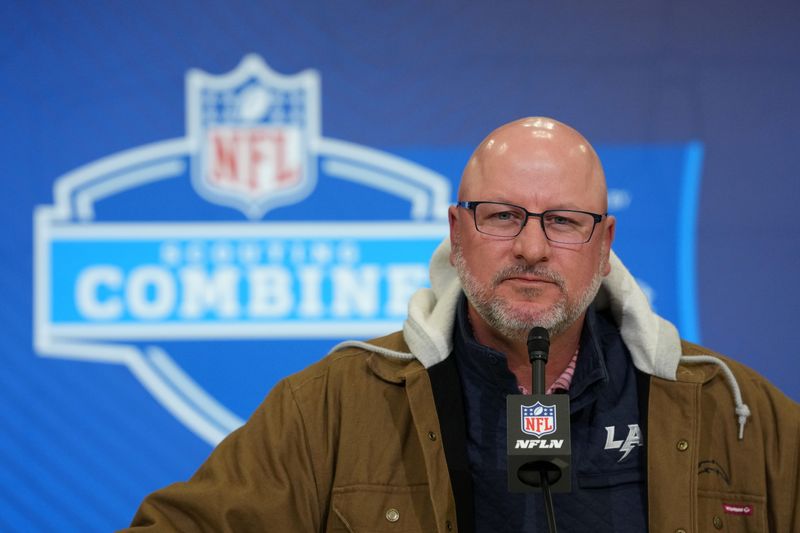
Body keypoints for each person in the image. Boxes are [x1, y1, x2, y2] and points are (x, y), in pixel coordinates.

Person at [123, 118, 799, 532]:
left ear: (604, 241)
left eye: (563, 221)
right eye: (502, 215)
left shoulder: (734, 412)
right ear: (457, 229)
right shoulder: (333, 406)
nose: (532, 247)